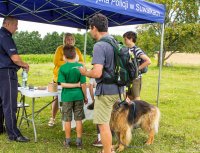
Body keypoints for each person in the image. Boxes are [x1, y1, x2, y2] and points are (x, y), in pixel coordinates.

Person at [79, 13, 123, 153]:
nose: (90, 31)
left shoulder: (99, 45)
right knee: (109, 122)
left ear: (94, 28)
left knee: (103, 124)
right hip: (117, 89)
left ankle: (107, 151)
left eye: (90, 28)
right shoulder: (115, 42)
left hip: (105, 91)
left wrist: (85, 72)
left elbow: (97, 73)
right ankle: (108, 149)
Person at [0, 16, 30, 142]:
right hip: (6, 72)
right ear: (7, 24)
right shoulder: (5, 37)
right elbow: (15, 58)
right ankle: (14, 134)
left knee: (0, 103)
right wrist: (25, 65)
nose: (17, 27)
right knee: (10, 103)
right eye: (15, 24)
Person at [48, 33, 84, 126]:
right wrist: (71, 62)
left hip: (74, 77)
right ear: (64, 40)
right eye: (68, 39)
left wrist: (69, 62)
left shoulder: (77, 50)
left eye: (72, 39)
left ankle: (72, 120)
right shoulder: (60, 49)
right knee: (56, 98)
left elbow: (82, 62)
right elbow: (56, 62)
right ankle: (53, 118)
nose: (70, 41)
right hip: (60, 77)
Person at [58, 45, 87, 150]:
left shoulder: (62, 68)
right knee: (79, 119)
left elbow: (63, 84)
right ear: (75, 55)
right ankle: (79, 142)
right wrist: (85, 97)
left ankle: (67, 141)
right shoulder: (81, 67)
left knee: (67, 120)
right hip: (78, 96)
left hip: (67, 97)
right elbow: (83, 85)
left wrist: (74, 85)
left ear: (64, 57)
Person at [123, 31, 151, 100]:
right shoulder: (127, 49)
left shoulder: (137, 50)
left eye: (125, 39)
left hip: (136, 78)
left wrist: (137, 69)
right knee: (128, 97)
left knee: (136, 97)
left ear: (131, 39)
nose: (124, 41)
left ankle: (137, 110)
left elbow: (148, 61)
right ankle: (131, 110)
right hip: (129, 78)